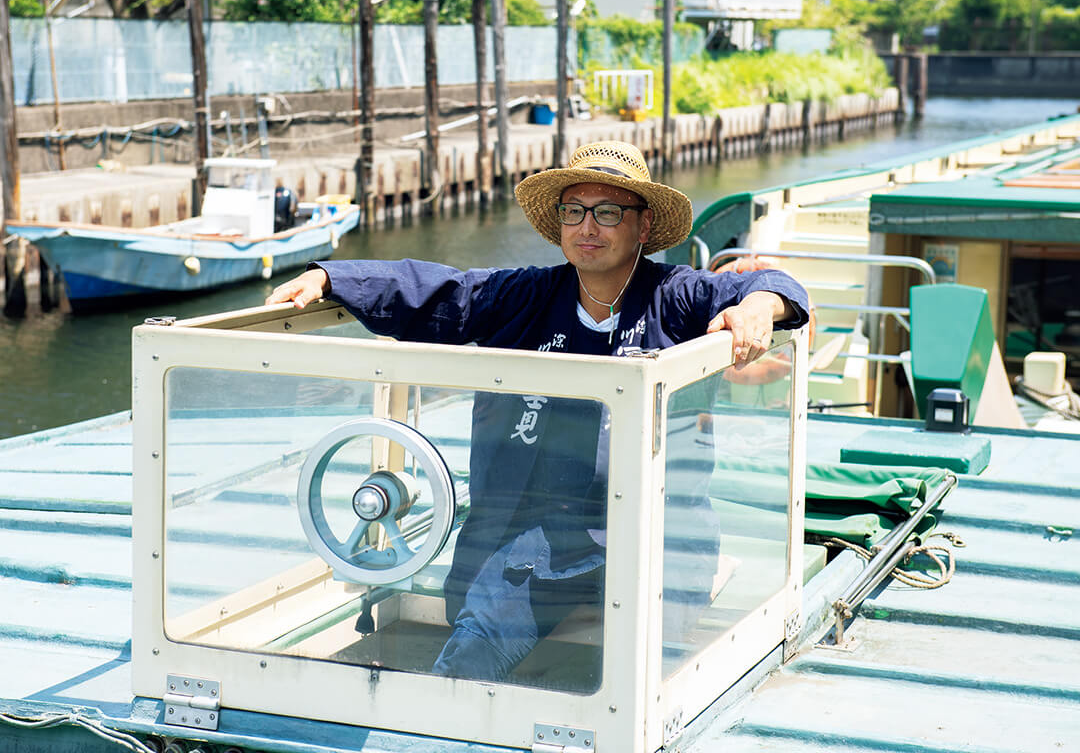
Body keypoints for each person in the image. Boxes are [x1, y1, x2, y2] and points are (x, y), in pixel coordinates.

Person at [266, 140, 809, 684]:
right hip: (538, 532)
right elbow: (442, 291)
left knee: (653, 675)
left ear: (643, 228)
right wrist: (331, 279)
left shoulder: (677, 296)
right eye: (574, 211)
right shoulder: (526, 296)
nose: (587, 227)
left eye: (608, 212)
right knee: (474, 648)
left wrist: (759, 307)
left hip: (657, 531)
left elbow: (776, 288)